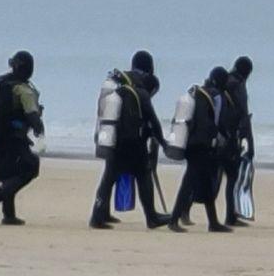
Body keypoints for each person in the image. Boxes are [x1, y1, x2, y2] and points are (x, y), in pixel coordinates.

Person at [89, 51, 170, 229]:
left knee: (109, 177)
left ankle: (98, 215)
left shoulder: (118, 83)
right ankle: (152, 217)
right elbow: (153, 120)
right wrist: (163, 143)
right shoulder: (140, 89)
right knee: (144, 174)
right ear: (149, 70)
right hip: (132, 143)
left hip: (115, 139)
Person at [180, 58, 252, 227]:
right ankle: (227, 216)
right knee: (221, 176)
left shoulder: (221, 84)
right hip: (225, 139)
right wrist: (246, 139)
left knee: (205, 176)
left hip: (213, 138)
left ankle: (186, 212)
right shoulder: (237, 85)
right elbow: (242, 113)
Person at [168, 67, 233, 233]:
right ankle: (174, 219)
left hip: (190, 142)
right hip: (203, 146)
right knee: (189, 183)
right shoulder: (217, 96)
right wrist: (222, 141)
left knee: (205, 183)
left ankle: (213, 222)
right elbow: (217, 123)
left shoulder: (198, 93)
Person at [0, 51, 45, 225]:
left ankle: (9, 215)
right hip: (15, 137)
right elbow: (31, 114)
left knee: (10, 171)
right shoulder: (23, 89)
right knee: (31, 166)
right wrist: (39, 128)